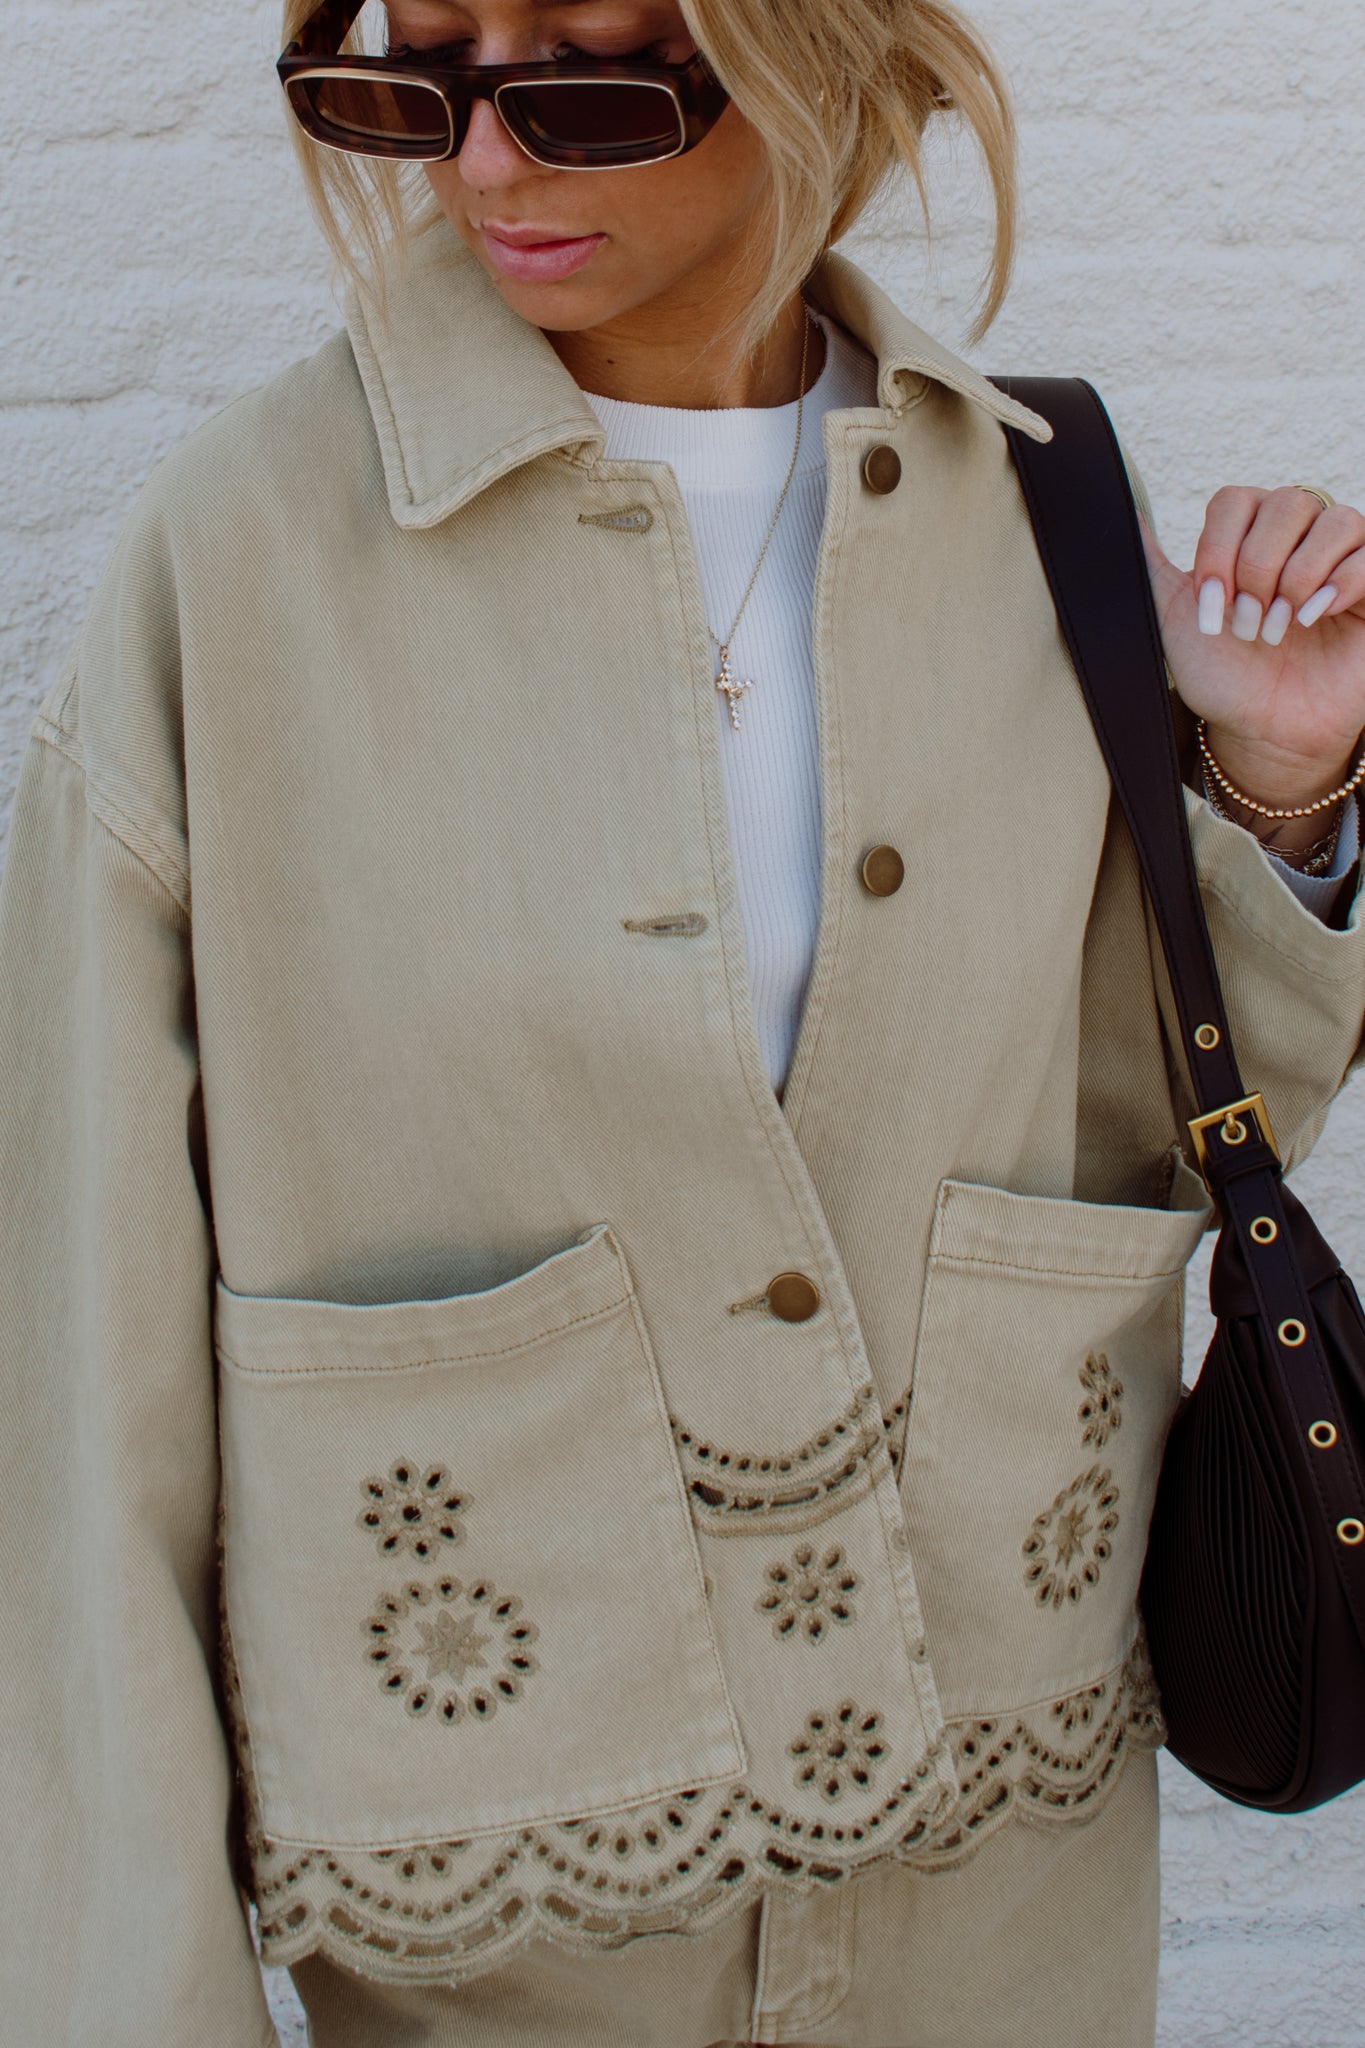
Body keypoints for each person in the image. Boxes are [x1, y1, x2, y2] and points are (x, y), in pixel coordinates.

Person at [2, 1, 1363, 2043]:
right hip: (503, 1928)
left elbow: (1140, 1133)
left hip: (998, 1892)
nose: (478, 167)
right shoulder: (248, 555)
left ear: (823, 57)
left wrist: (1274, 793)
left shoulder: (1037, 510)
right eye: (413, 77)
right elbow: (82, 1392)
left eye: (587, 81)